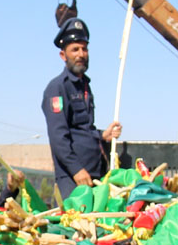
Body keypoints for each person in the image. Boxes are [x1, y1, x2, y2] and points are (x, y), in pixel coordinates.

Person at [42, 17, 121, 202]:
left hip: (94, 172)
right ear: (63, 55)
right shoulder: (57, 88)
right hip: (73, 177)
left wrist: (103, 136)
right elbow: (58, 136)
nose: (81, 54)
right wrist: (76, 169)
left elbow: (83, 129)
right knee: (78, 226)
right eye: (75, 49)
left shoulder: (84, 86)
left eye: (84, 49)